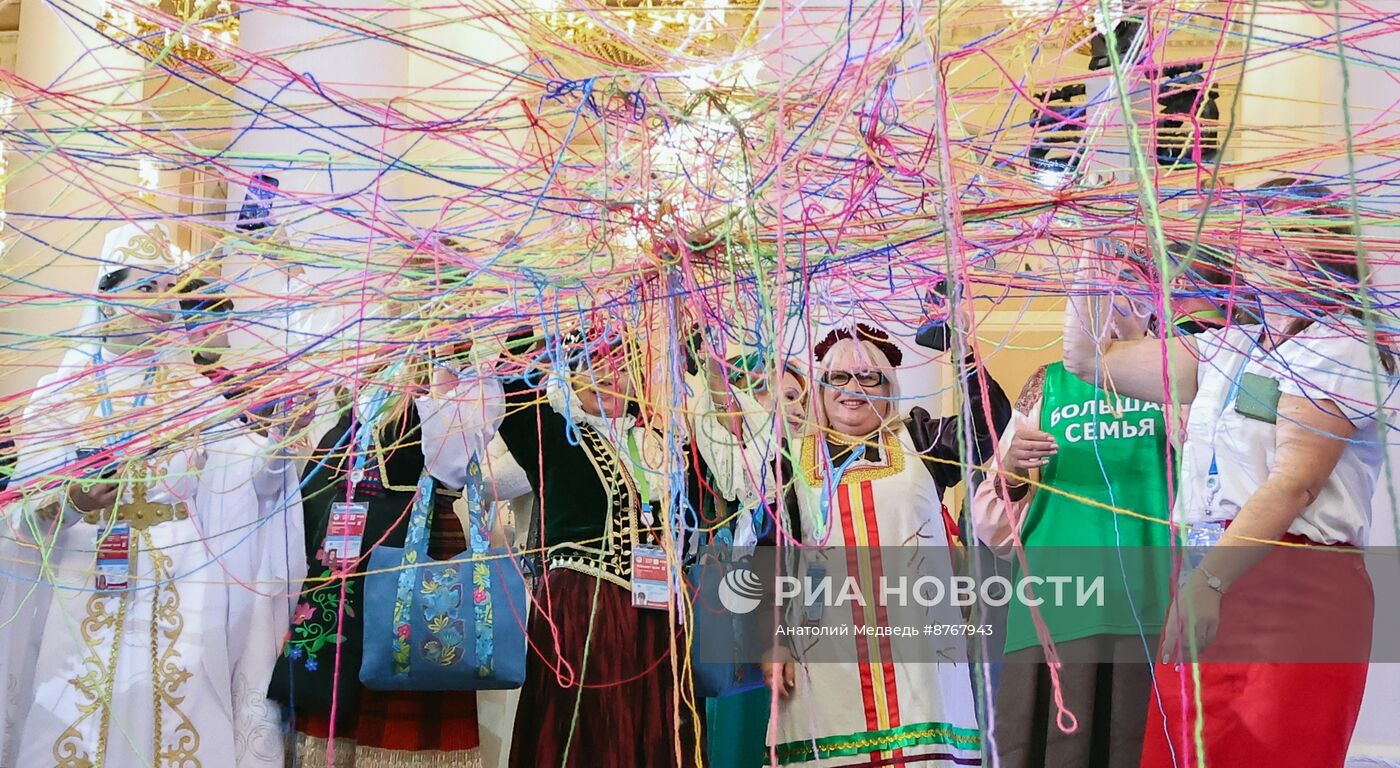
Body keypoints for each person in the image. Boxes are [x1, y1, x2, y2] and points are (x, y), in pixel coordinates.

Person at [1060, 180, 1397, 768]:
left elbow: (1296, 481)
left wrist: (1210, 582)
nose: (1261, 246)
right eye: (1251, 234)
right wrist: (1099, 240)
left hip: (1291, 584)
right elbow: (1088, 358)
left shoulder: (1342, 345)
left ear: (1325, 250)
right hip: (1203, 574)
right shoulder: (1230, 346)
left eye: (1280, 232)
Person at [0, 222, 304, 768]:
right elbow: (22, 514)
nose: (164, 303)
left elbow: (248, 483)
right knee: (76, 716)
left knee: (180, 717)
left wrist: (282, 438)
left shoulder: (192, 394)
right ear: (105, 299)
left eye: (169, 288)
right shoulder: (59, 393)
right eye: (147, 289)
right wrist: (73, 500)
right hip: (82, 581)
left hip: (184, 591)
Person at [697, 321, 1010, 766]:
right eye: (839, 378)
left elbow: (991, 425)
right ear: (821, 389)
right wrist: (772, 642)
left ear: (889, 387)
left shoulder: (922, 440)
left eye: (869, 377)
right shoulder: (792, 460)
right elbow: (771, 560)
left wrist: (960, 348)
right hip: (824, 656)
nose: (853, 388)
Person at [420, 321, 714, 768]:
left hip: (655, 617)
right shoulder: (556, 433)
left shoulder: (660, 443)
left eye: (621, 365)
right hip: (583, 609)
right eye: (592, 363)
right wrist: (543, 302)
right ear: (569, 375)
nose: (609, 375)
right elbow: (517, 378)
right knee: (594, 734)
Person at [267, 354, 518, 768]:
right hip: (345, 564)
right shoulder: (363, 386)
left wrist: (442, 381)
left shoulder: (460, 378)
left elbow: (452, 467)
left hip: (414, 552)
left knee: (407, 666)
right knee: (334, 693)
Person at [971, 293, 1171, 768]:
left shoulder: (1179, 374)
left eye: (1128, 291)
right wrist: (1010, 473)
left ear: (1152, 302)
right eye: (1096, 293)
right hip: (1057, 606)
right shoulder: (1048, 383)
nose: (1109, 305)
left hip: (1152, 606)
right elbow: (993, 525)